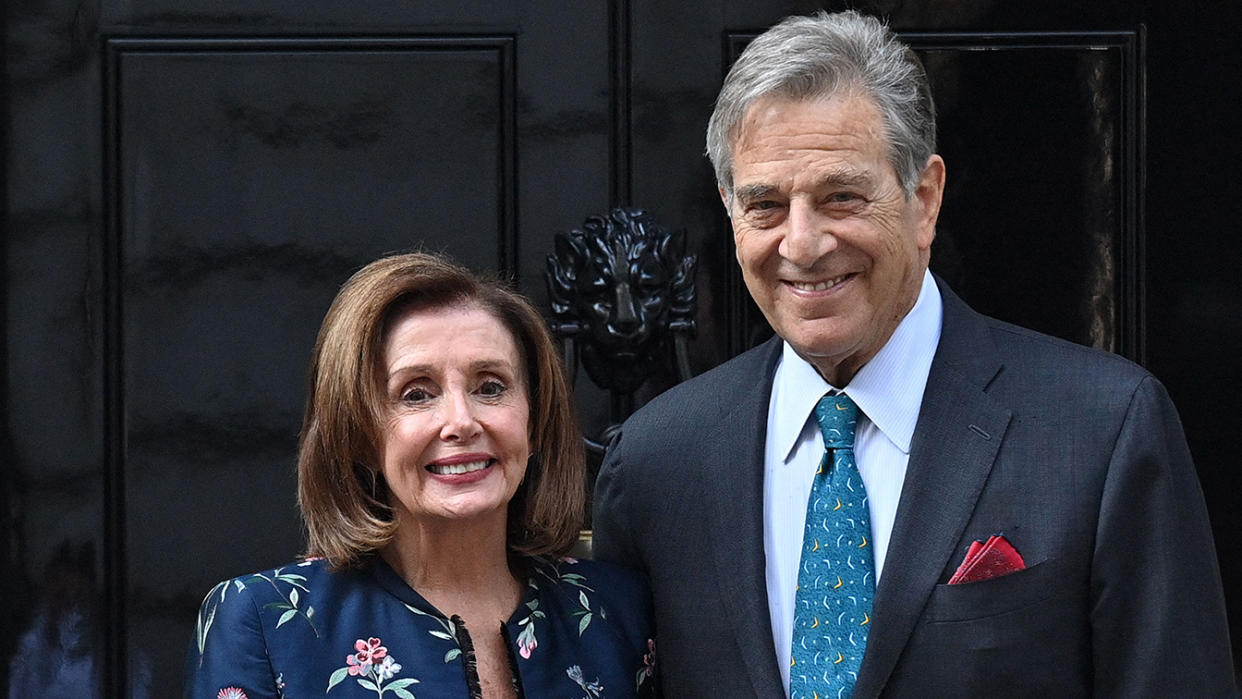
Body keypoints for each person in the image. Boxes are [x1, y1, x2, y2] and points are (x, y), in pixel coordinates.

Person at [592, 10, 1237, 698]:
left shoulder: (1103, 431)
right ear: (729, 208)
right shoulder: (659, 462)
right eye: (766, 205)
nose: (802, 244)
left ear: (924, 197)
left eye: (841, 196)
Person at [187, 252, 657, 698]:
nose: (461, 421)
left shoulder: (619, 614)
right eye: (416, 394)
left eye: (490, 387)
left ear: (534, 421)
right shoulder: (264, 622)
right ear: (358, 436)